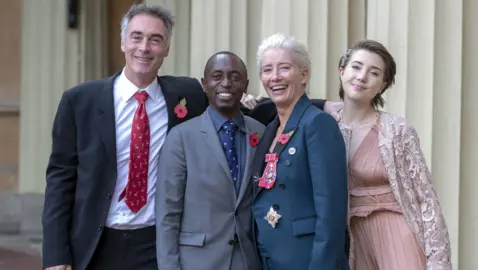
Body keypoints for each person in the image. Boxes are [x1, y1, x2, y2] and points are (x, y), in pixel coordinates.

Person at [42, 3, 210, 270]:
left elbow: (227, 106)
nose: (144, 48)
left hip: (156, 244)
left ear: (166, 48)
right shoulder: (80, 101)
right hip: (95, 245)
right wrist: (55, 255)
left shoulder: (187, 95)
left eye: (155, 40)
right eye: (137, 37)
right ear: (123, 42)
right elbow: (60, 180)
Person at [337, 39, 451, 270]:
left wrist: (438, 262)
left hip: (398, 235)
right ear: (342, 71)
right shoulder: (324, 126)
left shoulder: (396, 129)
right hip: (354, 243)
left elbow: (426, 198)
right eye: (356, 67)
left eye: (374, 73)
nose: (362, 77)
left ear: (383, 84)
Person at [156, 51, 264, 270]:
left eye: (235, 77)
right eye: (217, 76)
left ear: (246, 84)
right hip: (197, 262)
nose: (226, 83)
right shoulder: (181, 138)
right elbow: (168, 214)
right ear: (204, 84)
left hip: (248, 260)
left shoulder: (261, 134)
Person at [251, 33, 349, 270]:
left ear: (304, 74)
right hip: (268, 259)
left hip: (306, 260)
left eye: (284, 68)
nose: (275, 77)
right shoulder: (270, 129)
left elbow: (331, 213)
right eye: (267, 70)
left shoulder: (318, 124)